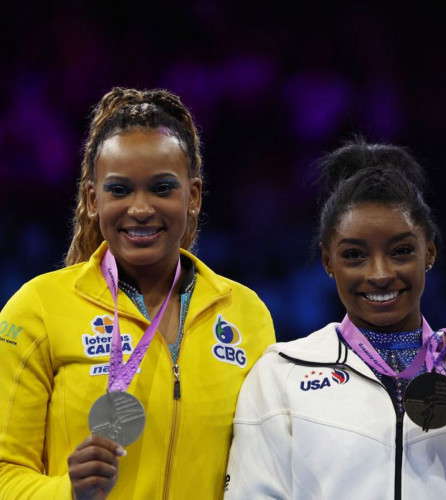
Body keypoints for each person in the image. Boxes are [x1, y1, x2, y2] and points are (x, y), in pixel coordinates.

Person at [224, 139, 446, 499]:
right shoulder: (281, 375)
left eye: (401, 251)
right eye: (354, 255)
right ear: (327, 262)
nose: (380, 274)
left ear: (428, 252)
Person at [0, 87, 276, 499]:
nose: (141, 208)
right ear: (93, 199)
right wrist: (67, 492)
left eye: (162, 188)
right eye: (119, 190)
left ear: (193, 196)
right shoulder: (38, 308)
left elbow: (266, 472)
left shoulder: (246, 315)